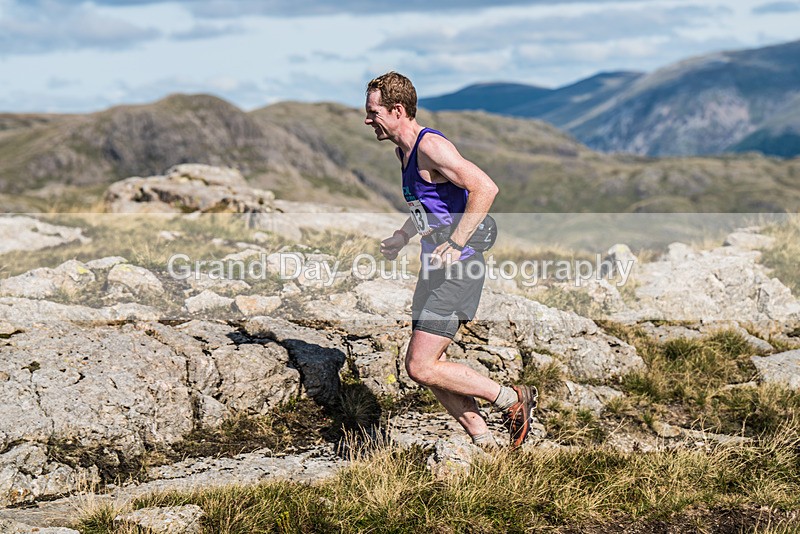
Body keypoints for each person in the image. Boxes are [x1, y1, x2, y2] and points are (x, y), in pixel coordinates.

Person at [364, 71, 538, 449]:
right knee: (429, 368)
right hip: (434, 267)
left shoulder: (431, 147)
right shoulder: (403, 152)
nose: (367, 120)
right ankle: (484, 442)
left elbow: (485, 187)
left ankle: (510, 399)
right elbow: (428, 207)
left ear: (397, 110)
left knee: (419, 365)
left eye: (373, 112)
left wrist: (457, 243)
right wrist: (403, 236)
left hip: (460, 267)